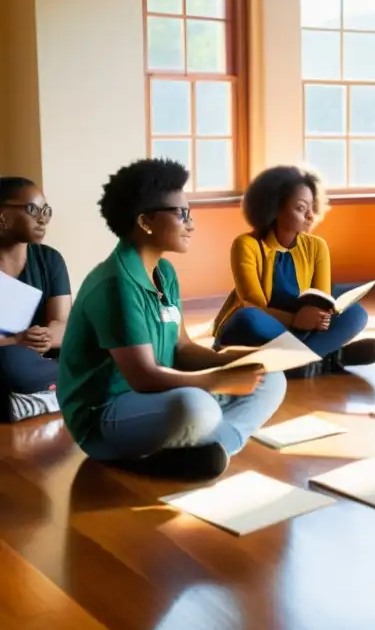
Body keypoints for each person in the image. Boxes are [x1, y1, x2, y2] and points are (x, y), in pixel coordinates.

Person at [57, 159, 286, 480]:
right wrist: (217, 380)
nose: (190, 224)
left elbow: (182, 348)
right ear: (145, 221)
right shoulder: (115, 284)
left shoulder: (164, 272)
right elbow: (143, 377)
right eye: (180, 214)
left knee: (272, 380)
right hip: (106, 414)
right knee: (197, 407)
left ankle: (212, 448)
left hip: (154, 399)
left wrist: (233, 360)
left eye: (189, 213)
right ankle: (149, 454)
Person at [212, 166, 375, 375]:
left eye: (312, 208)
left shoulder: (317, 246)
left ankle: (290, 365)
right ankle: (323, 358)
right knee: (248, 319)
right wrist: (295, 320)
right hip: (265, 326)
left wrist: (320, 317)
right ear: (274, 209)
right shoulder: (246, 245)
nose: (310, 216)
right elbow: (253, 304)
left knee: (357, 314)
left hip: (301, 329)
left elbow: (323, 298)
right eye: (301, 208)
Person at [0, 177, 71, 422]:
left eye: (46, 210)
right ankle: (59, 394)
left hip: (42, 360)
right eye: (32, 209)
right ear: (2, 216)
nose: (43, 218)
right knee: (9, 359)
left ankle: (32, 399)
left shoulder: (50, 259)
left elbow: (62, 323)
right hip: (7, 356)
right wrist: (16, 340)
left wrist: (44, 338)